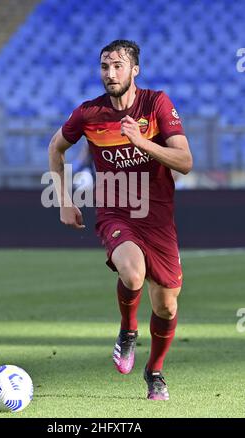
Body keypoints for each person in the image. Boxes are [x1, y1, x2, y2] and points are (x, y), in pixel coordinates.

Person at [49, 40, 193, 401]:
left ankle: (155, 371)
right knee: (132, 273)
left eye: (117, 66)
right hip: (116, 211)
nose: (110, 74)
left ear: (135, 70)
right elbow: (56, 148)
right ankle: (128, 331)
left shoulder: (157, 104)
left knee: (166, 305)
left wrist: (143, 143)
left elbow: (185, 162)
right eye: (104, 66)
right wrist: (64, 201)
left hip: (158, 218)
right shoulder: (88, 113)